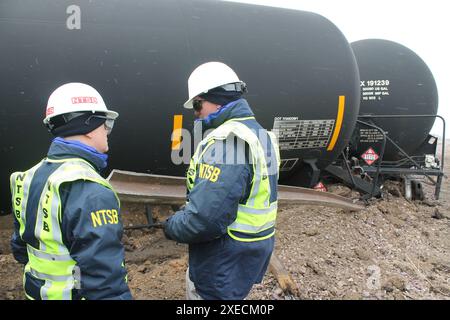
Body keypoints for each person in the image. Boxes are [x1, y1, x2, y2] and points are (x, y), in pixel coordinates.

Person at [164, 62, 280, 300]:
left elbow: (205, 220)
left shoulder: (229, 142)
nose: (195, 112)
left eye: (197, 104)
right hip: (248, 254)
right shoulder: (260, 134)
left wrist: (171, 226)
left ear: (218, 99)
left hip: (223, 260)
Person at [9, 82, 132, 300]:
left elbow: (21, 247)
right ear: (88, 125)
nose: (107, 131)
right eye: (105, 123)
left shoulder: (28, 177)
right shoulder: (89, 188)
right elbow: (104, 280)